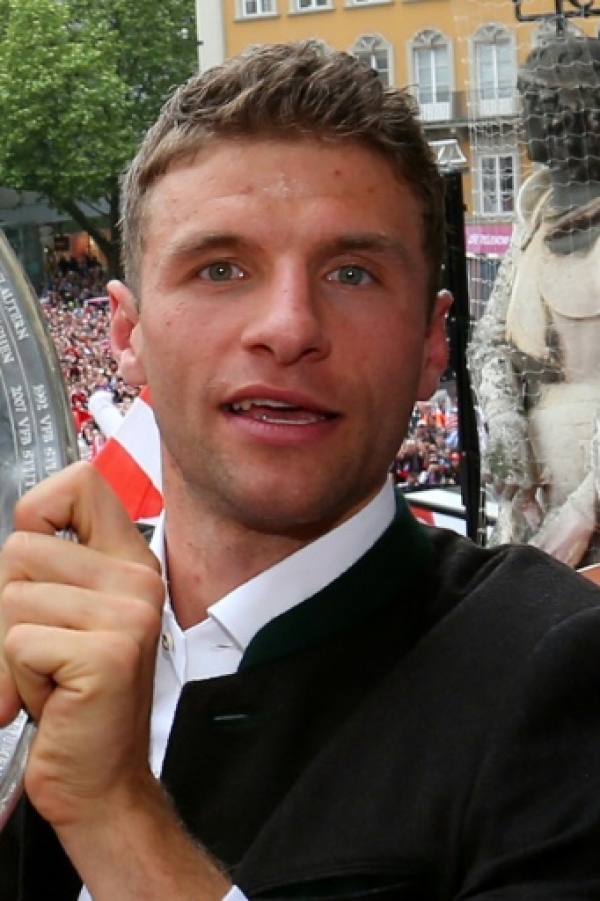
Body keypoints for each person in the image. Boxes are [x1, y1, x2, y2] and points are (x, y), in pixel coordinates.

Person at [1, 39, 600, 901]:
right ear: (126, 336)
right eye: (221, 269)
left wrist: (115, 815)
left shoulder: (563, 673)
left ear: (433, 342)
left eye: (351, 272)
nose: (287, 326)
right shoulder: (26, 624)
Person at [469, 34, 600, 568]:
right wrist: (505, 428)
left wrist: (584, 509)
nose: (525, 123)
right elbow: (489, 340)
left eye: (539, 106)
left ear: (581, 114)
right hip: (532, 493)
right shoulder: (534, 217)